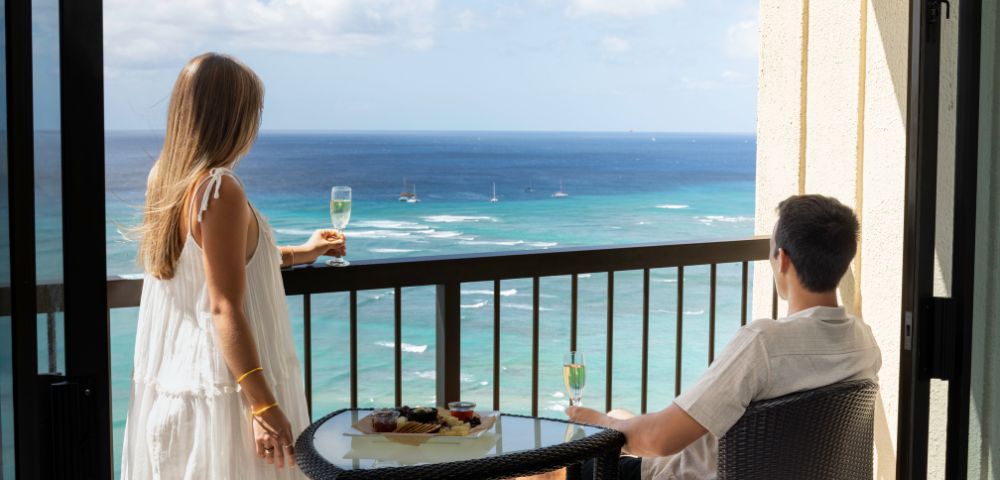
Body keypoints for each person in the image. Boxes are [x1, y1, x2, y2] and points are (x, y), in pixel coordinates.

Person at [121, 53, 345, 479]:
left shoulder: (166, 180)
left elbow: (218, 266)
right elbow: (224, 305)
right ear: (233, 117)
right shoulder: (220, 189)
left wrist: (303, 253)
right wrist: (263, 405)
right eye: (253, 111)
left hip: (183, 389)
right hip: (225, 396)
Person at [566, 194, 882, 480]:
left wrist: (597, 422)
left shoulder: (763, 344)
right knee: (621, 415)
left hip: (682, 474)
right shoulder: (864, 344)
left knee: (565, 463)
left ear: (782, 259)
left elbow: (660, 439)